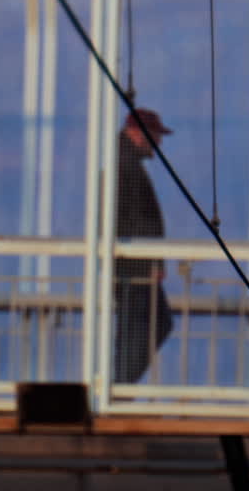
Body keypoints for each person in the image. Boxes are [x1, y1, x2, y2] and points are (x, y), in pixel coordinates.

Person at [113, 108, 175, 384]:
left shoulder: (124, 161)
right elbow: (133, 219)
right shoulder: (124, 164)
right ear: (139, 133)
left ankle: (120, 385)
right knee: (146, 325)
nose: (158, 143)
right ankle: (120, 385)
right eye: (155, 136)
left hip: (135, 264)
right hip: (134, 267)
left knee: (140, 326)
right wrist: (152, 262)